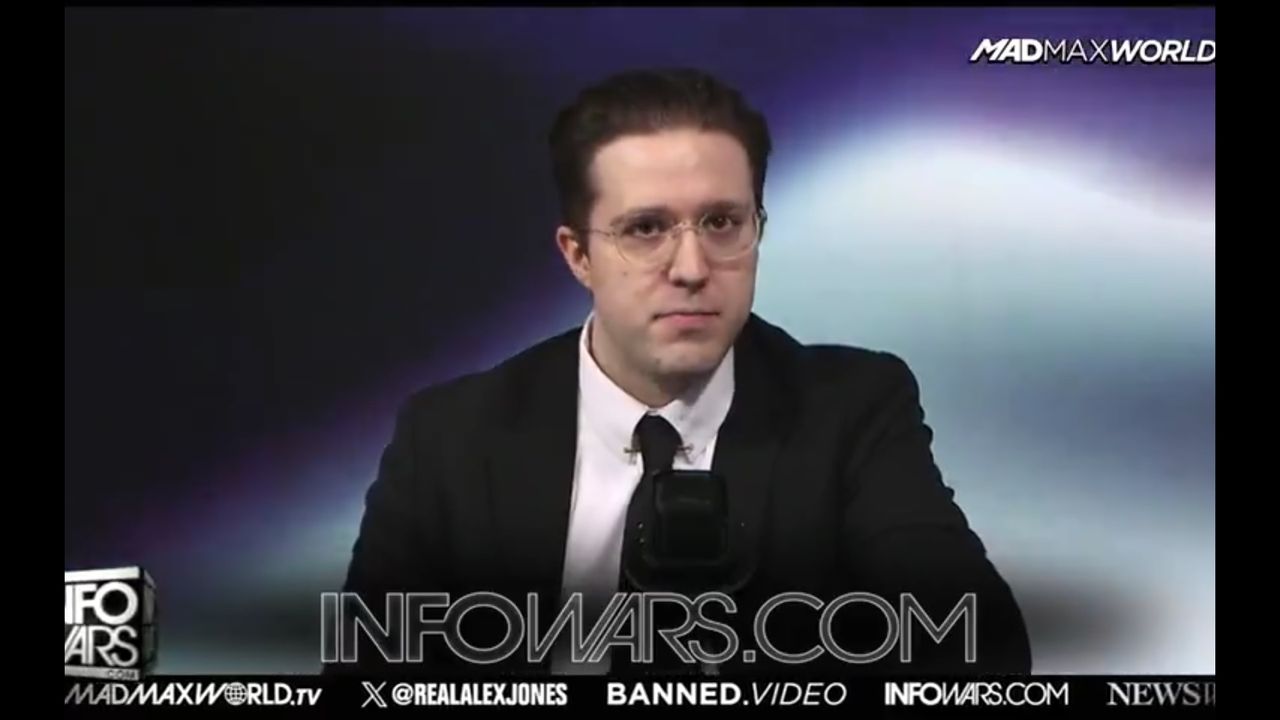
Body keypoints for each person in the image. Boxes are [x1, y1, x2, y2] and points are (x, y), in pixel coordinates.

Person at [331, 67, 1031, 677]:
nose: (692, 268)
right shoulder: (452, 437)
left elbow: (979, 649)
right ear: (578, 255)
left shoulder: (850, 412)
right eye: (645, 229)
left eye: (722, 223)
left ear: (758, 229)